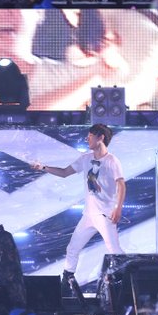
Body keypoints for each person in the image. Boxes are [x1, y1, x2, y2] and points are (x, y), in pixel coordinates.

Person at [32, 123, 125, 287]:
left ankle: (125, 279)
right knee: (72, 248)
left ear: (100, 137)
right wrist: (43, 167)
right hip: (88, 215)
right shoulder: (86, 158)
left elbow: (121, 185)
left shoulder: (112, 161)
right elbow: (64, 172)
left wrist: (118, 208)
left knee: (114, 249)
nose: (87, 139)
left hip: (105, 214)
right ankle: (67, 281)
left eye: (90, 136)